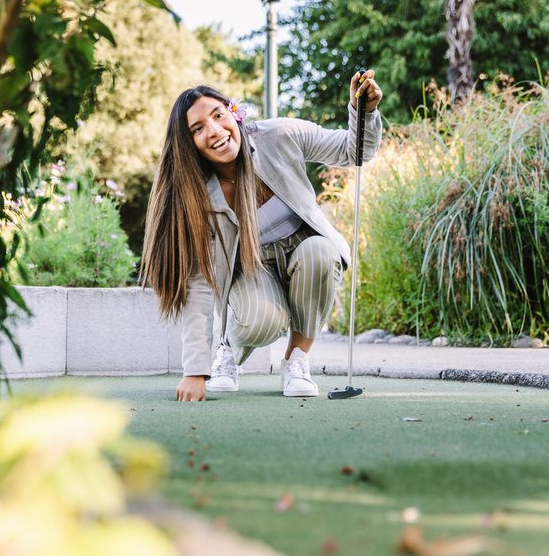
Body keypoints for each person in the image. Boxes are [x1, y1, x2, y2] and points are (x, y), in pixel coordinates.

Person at [140, 71, 384, 401]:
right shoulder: (195, 194)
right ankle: (226, 351)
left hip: (303, 252)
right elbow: (197, 283)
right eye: (198, 129)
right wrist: (194, 372)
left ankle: (296, 361)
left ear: (234, 112)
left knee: (322, 253)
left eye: (218, 116)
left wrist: (363, 112)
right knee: (259, 321)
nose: (214, 132)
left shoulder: (279, 135)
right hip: (249, 269)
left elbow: (352, 151)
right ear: (189, 144)